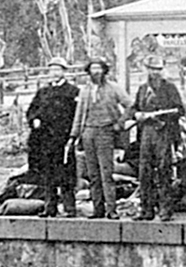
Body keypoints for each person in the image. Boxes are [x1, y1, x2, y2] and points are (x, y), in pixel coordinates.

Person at [68, 57, 132, 219]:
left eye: (99, 68)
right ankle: (98, 209)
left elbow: (130, 105)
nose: (96, 72)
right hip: (88, 133)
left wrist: (120, 123)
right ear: (88, 71)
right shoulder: (85, 91)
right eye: (93, 69)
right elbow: (79, 114)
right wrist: (74, 135)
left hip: (106, 133)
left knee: (106, 173)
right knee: (93, 174)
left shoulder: (114, 88)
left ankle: (111, 210)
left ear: (104, 71)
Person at [129, 55, 184, 222]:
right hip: (146, 132)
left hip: (164, 132)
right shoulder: (142, 89)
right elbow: (134, 109)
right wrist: (137, 114)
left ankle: (165, 209)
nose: (156, 73)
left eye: (159, 69)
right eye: (153, 69)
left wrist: (164, 114)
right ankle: (146, 209)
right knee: (144, 171)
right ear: (147, 70)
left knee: (164, 170)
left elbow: (180, 110)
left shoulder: (170, 88)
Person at [28, 57, 79, 218]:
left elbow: (77, 115)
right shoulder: (43, 92)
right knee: (48, 175)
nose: (54, 73)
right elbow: (32, 110)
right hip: (46, 140)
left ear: (64, 72)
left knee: (66, 175)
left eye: (58, 69)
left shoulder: (72, 91)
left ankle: (70, 208)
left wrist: (73, 136)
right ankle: (50, 208)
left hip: (64, 140)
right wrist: (34, 119)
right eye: (52, 70)